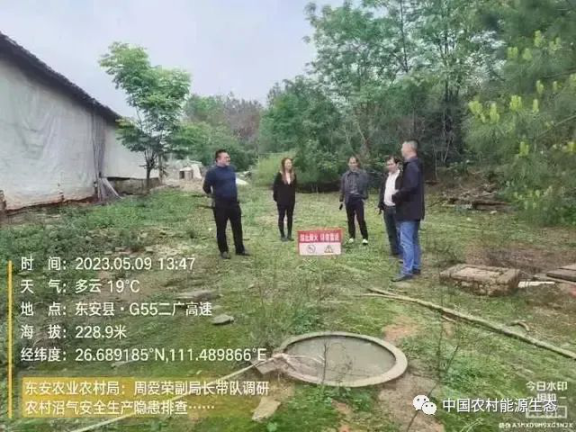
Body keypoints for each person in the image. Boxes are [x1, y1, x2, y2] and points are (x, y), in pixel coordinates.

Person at [203, 149, 249, 259]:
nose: (229, 159)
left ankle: (240, 249)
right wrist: (213, 196)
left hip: (233, 203)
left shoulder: (231, 169)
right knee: (221, 228)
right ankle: (223, 250)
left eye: (228, 157)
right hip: (220, 205)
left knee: (237, 227)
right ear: (218, 159)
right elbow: (206, 187)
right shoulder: (212, 172)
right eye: (226, 157)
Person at [392, 139, 425, 281]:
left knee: (406, 241)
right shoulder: (416, 164)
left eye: (402, 146)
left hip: (408, 209)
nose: (401, 149)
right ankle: (415, 266)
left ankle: (407, 270)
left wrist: (396, 196)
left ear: (409, 149)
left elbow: (410, 187)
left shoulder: (411, 166)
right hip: (415, 209)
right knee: (413, 239)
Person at [340, 155, 369, 245]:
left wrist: (364, 197)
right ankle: (352, 236)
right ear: (348, 164)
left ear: (357, 163)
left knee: (360, 219)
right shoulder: (345, 175)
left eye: (354, 163)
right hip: (349, 198)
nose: (352, 164)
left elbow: (366, 186)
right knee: (350, 219)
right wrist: (341, 199)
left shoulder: (363, 174)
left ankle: (365, 237)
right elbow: (342, 188)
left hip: (358, 198)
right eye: (351, 163)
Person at [378, 156, 402, 257]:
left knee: (400, 231)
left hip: (398, 208)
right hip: (387, 207)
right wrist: (380, 204)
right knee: (390, 231)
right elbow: (382, 191)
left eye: (391, 164)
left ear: (397, 164)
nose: (389, 166)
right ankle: (394, 251)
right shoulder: (386, 176)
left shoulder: (402, 176)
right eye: (387, 164)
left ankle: (402, 253)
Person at [273, 157, 297, 242]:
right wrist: (277, 198)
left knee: (290, 217)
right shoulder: (279, 174)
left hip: (291, 200)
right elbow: (275, 187)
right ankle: (282, 235)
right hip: (281, 200)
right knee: (281, 217)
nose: (289, 164)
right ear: (283, 164)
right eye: (287, 163)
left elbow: (295, 187)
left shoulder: (293, 174)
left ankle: (289, 235)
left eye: (290, 163)